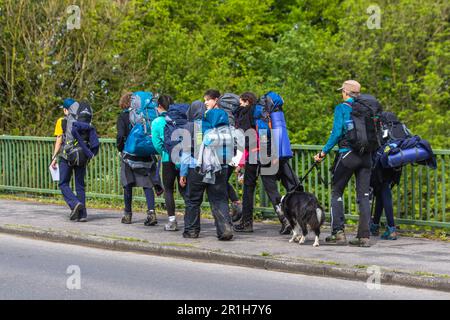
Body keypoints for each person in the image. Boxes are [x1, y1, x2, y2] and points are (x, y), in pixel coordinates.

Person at [314, 80, 373, 247]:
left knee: (336, 191)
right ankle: (364, 237)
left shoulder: (342, 108)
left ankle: (338, 232)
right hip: (367, 157)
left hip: (348, 155)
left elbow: (336, 133)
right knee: (364, 196)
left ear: (346, 93)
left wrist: (323, 152)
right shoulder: (367, 108)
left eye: (342, 91)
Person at [232, 92, 295, 234]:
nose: (240, 105)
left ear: (247, 101)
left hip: (253, 154)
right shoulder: (262, 112)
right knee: (271, 188)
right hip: (267, 152)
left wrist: (239, 163)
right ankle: (285, 219)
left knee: (248, 188)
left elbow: (243, 141)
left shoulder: (246, 113)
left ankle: (246, 223)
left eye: (241, 102)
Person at [179, 93, 233, 240]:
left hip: (197, 168)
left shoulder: (192, 127)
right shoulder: (223, 127)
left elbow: (185, 154)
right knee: (220, 199)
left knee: (193, 200)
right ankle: (225, 229)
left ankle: (191, 231)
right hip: (220, 167)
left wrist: (183, 173)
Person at [51, 98, 98, 222]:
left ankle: (74, 203)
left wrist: (54, 157)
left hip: (67, 156)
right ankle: (82, 215)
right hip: (82, 155)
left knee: (63, 183)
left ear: (66, 110)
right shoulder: (86, 121)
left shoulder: (62, 121)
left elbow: (59, 140)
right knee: (80, 185)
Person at [116, 92, 157, 226]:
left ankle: (128, 214)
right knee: (147, 185)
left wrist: (120, 148)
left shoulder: (123, 116)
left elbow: (120, 136)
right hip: (146, 153)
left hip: (129, 155)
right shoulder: (145, 115)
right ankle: (151, 212)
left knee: (127, 184)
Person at [203, 89, 243, 219]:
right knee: (223, 180)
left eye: (208, 100)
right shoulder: (227, 112)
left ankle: (232, 209)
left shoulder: (218, 114)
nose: (205, 102)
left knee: (220, 181)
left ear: (216, 100)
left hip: (226, 152)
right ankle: (236, 204)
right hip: (235, 151)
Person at [151, 95, 186, 231]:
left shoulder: (157, 122)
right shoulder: (180, 118)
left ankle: (172, 221)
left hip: (167, 159)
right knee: (184, 189)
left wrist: (165, 151)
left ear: (159, 106)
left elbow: (157, 144)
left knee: (169, 190)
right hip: (183, 158)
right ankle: (192, 217)